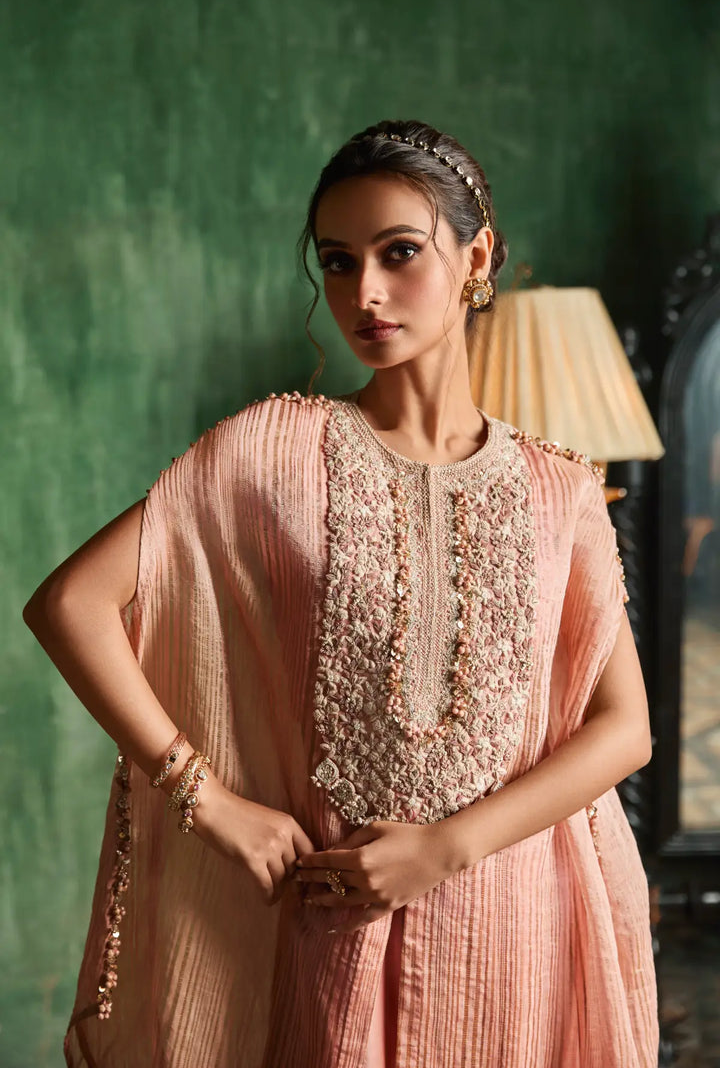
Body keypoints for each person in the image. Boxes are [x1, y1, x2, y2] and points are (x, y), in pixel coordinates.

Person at [24, 119, 659, 1068]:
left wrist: (444, 848)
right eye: (337, 261)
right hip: (332, 923)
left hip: (519, 921)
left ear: (474, 256)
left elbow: (624, 729)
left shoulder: (559, 489)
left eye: (399, 253)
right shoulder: (269, 451)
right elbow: (71, 604)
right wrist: (209, 801)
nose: (363, 292)